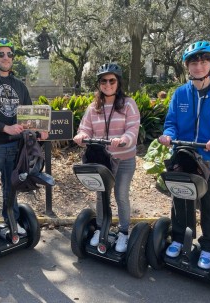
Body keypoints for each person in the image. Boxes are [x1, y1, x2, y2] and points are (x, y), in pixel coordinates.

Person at [158, 40, 210, 270]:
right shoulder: (181, 94)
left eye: (204, 61)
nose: (199, 65)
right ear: (188, 66)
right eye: (194, 61)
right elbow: (171, 123)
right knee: (181, 202)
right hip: (183, 157)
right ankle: (178, 239)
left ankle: (208, 247)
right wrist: (167, 135)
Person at [0, 38, 47, 240]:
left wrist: (39, 130)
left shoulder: (19, 85)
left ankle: (10, 219)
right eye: (1, 54)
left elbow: (30, 113)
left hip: (15, 146)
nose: (6, 58)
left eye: (9, 54)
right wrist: (6, 127)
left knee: (11, 186)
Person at [73, 63, 140, 252]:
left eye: (112, 80)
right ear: (99, 84)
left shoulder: (128, 104)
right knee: (101, 195)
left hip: (124, 158)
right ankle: (101, 228)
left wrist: (124, 139)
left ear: (118, 82)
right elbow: (85, 128)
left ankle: (123, 232)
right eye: (104, 81)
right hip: (102, 160)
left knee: (120, 194)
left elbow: (133, 129)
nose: (108, 84)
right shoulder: (94, 107)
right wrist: (81, 136)